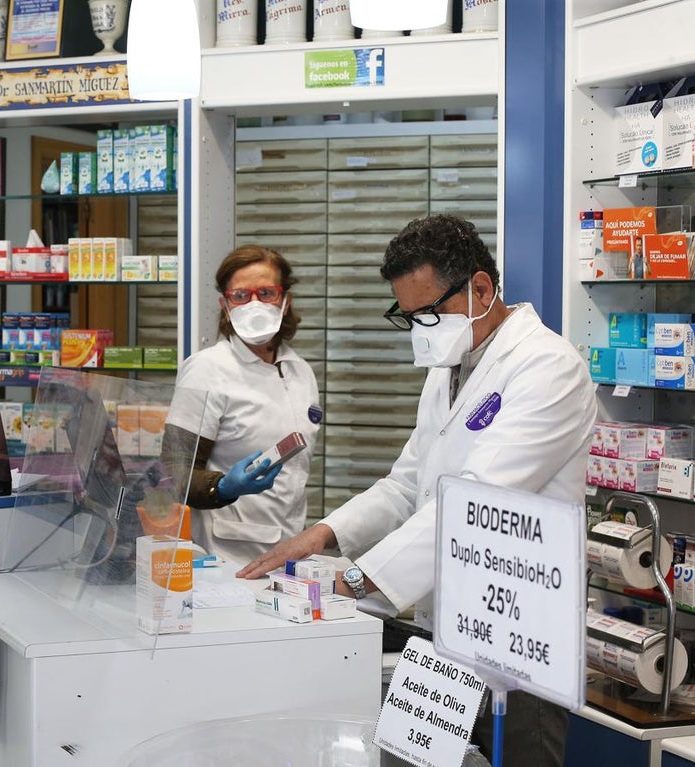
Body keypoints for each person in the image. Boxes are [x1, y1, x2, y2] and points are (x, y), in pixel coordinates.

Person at [238, 214, 597, 767]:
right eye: (408, 317)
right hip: (440, 630)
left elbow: (475, 503)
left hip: (516, 641)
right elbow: (407, 483)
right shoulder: (450, 365)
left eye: (429, 313)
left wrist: (357, 579)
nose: (421, 329)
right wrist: (322, 536)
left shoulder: (548, 368)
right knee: (409, 760)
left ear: (481, 289)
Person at [165, 244, 321, 564]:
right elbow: (172, 473)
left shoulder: (300, 371)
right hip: (225, 554)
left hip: (289, 547)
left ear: (285, 301)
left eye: (266, 293)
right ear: (225, 306)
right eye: (240, 296)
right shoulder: (206, 370)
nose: (254, 304)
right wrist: (223, 486)